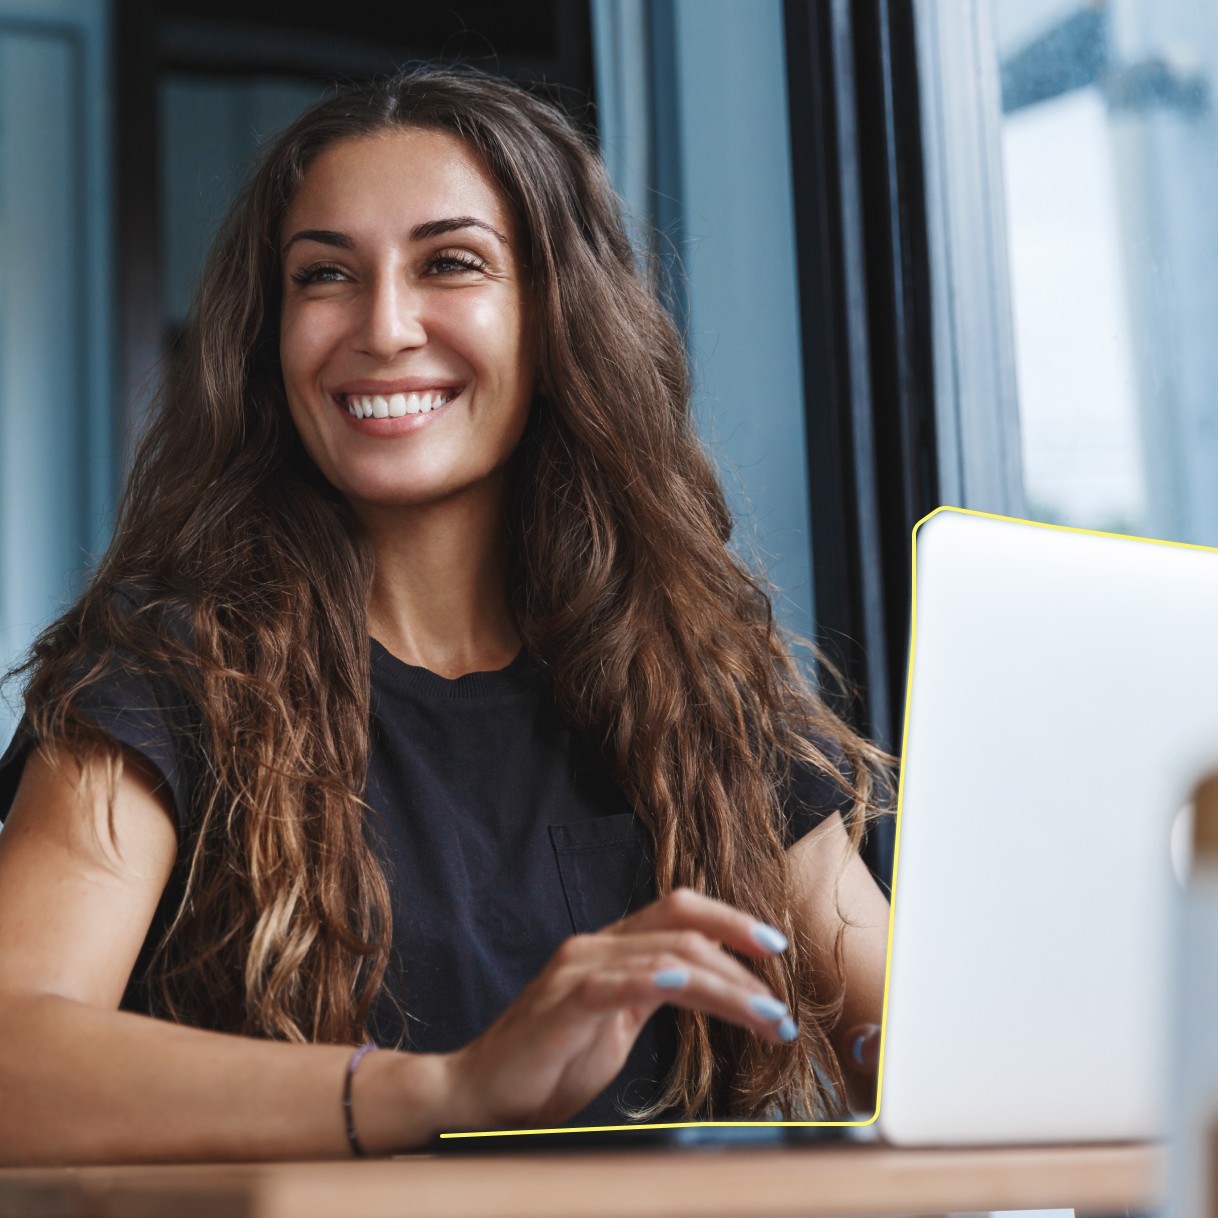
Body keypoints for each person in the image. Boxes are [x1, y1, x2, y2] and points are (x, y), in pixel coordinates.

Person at [0, 67, 892, 1164]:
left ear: (556, 312)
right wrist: (452, 1088)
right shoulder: (160, 671)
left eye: (450, 263)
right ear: (268, 335)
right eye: (324, 275)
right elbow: (12, 1056)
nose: (382, 326)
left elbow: (905, 1038)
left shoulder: (696, 685)